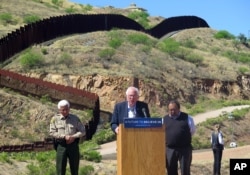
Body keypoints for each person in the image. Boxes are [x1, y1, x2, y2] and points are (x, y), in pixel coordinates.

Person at [49, 99, 86, 175]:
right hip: (61, 146)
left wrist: (73, 137)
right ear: (59, 110)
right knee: (60, 169)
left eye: (66, 109)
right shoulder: (54, 119)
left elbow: (83, 131)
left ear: (69, 109)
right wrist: (64, 136)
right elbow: (52, 132)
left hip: (73, 146)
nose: (65, 111)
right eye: (63, 110)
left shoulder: (75, 119)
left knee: (74, 169)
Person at [164, 100, 196, 175]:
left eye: (174, 109)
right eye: (170, 110)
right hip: (170, 149)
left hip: (184, 149)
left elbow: (192, 131)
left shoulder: (187, 118)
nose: (172, 111)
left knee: (185, 170)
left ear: (179, 109)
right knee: (171, 171)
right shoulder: (164, 119)